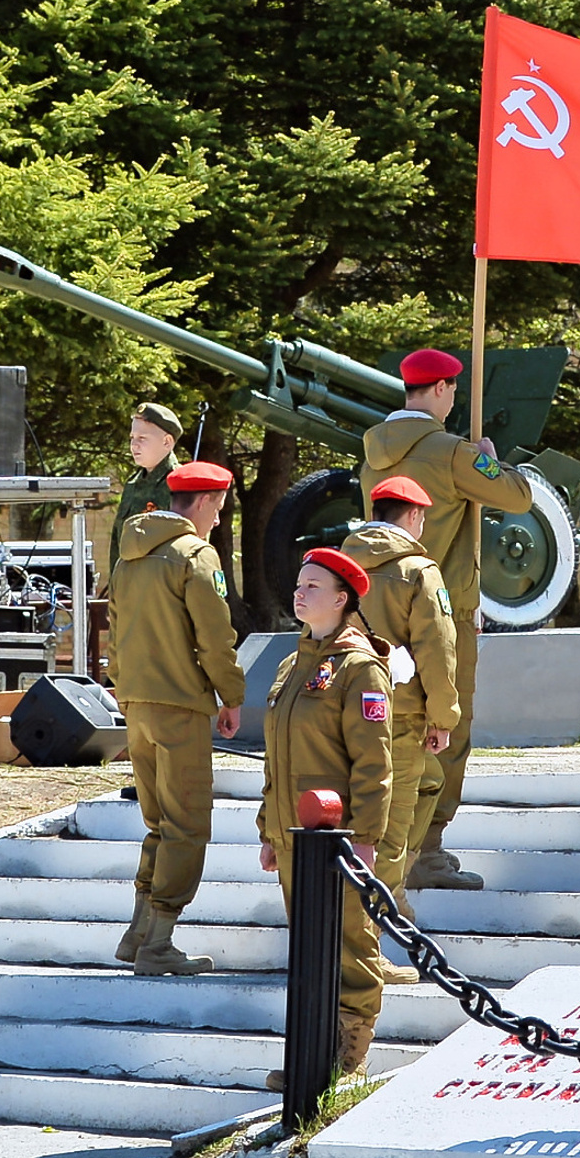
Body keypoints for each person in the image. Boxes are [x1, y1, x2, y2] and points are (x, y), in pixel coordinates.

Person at [361, 346, 531, 890]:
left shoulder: (374, 451)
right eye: (453, 389)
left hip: (379, 610)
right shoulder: (451, 452)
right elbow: (518, 496)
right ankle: (424, 851)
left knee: (387, 727)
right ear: (440, 389)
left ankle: (387, 845)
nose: (455, 399)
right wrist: (491, 458)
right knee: (445, 727)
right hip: (442, 609)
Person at [257, 548, 393, 1087]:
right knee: (309, 943)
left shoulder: (360, 668)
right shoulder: (293, 664)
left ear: (342, 599)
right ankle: (312, 1055)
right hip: (295, 833)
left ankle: (350, 1049)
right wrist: (270, 829)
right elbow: (277, 758)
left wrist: (366, 838)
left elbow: (374, 763)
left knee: (349, 940)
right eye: (299, 583)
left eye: (313, 586)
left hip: (338, 836)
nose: (300, 593)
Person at [108, 461, 247, 976]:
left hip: (136, 704)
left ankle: (138, 932)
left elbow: (114, 634)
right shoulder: (195, 555)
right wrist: (231, 695)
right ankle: (160, 942)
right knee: (187, 826)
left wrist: (125, 692)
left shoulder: (129, 556)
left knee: (159, 823)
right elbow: (215, 636)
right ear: (206, 502)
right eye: (220, 507)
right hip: (181, 704)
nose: (219, 518)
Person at [338, 476, 459, 923]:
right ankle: (382, 910)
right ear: (413, 516)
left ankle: (382, 894)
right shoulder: (419, 572)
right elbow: (437, 648)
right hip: (401, 713)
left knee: (397, 792)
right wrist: (443, 717)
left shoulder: (336, 565)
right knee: (394, 815)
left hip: (344, 710)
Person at [112, 401, 184, 568]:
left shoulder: (179, 483)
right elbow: (118, 543)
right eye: (132, 438)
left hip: (162, 581)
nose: (134, 445)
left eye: (142, 438)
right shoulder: (132, 484)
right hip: (128, 580)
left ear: (167, 442)